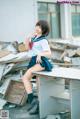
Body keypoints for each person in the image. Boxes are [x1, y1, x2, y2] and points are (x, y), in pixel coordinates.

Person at [22, 20, 53, 115]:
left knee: (25, 78)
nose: (37, 28)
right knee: (33, 81)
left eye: (39, 27)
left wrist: (40, 54)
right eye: (37, 25)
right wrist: (27, 38)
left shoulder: (43, 40)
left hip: (41, 62)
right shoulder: (35, 38)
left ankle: (33, 102)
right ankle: (35, 104)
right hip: (33, 60)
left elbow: (49, 53)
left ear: (43, 30)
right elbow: (28, 48)